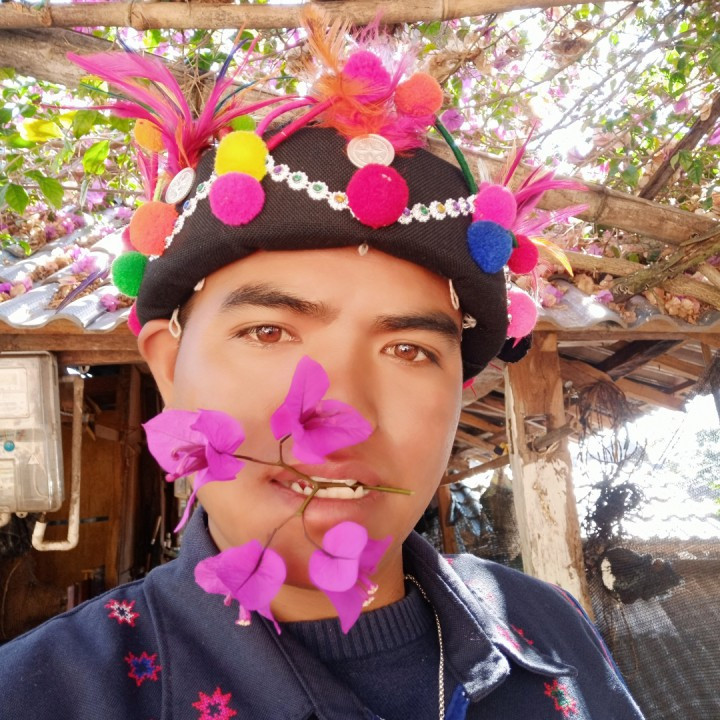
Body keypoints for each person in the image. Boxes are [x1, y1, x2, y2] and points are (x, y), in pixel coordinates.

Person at [0, 15, 644, 720]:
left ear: (457, 391)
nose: (340, 415)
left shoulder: (552, 628)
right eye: (268, 332)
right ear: (169, 367)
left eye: (409, 350)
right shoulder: (42, 695)